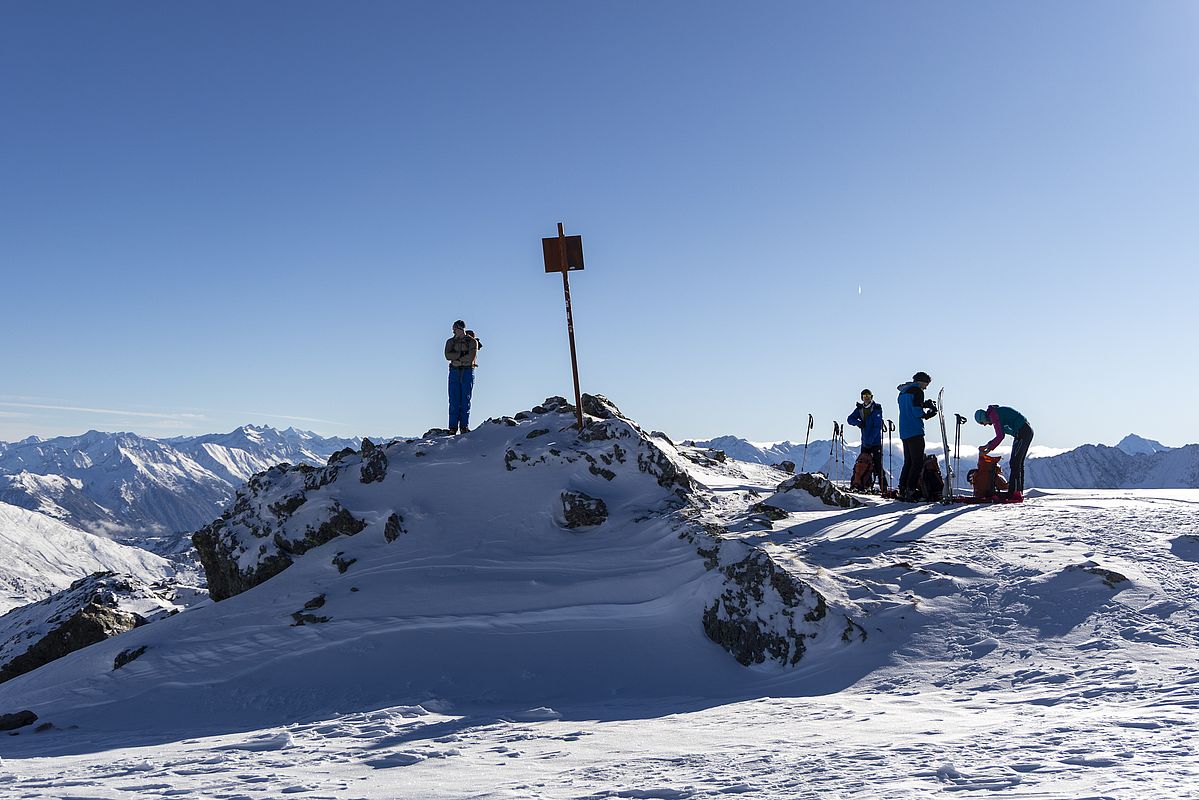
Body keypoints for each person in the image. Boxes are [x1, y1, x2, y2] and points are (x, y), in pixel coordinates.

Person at [975, 405, 1033, 500]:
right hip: (1023, 432)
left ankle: (1015, 493)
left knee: (1015, 463)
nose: (984, 425)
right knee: (1017, 463)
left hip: (1022, 432)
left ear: (983, 418)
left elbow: (1000, 436)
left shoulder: (993, 415)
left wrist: (988, 450)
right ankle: (1017, 492)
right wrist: (986, 446)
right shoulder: (995, 413)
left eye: (982, 423)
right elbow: (1001, 433)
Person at [896, 371, 938, 501]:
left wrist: (924, 404)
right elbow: (916, 412)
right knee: (917, 462)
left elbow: (909, 407)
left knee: (908, 461)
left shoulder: (903, 393)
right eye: (926, 385)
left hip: (904, 430)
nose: (926, 388)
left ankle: (902, 489)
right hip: (915, 430)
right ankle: (911, 490)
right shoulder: (918, 391)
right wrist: (928, 414)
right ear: (921, 382)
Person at [847, 389, 887, 493]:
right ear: (862, 398)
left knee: (877, 465)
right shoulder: (860, 409)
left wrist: (869, 441)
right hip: (865, 442)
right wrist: (858, 423)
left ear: (871, 397)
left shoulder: (876, 409)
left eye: (868, 396)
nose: (866, 398)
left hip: (875, 443)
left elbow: (877, 427)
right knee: (862, 464)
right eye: (864, 396)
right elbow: (850, 419)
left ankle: (884, 488)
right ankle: (862, 485)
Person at [444, 320, 478, 434]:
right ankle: (453, 428)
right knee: (454, 399)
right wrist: (462, 355)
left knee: (465, 399)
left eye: (454, 329)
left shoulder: (472, 341)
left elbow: (471, 357)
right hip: (455, 371)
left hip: (467, 371)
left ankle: (464, 426)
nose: (453, 331)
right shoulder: (450, 342)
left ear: (459, 328)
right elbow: (447, 355)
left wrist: (457, 359)